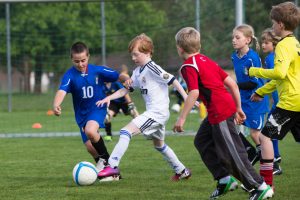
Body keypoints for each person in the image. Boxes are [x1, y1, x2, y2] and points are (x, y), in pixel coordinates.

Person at [173, 27, 273, 200]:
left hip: (220, 111)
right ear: (199, 45)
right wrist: (238, 108)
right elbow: (232, 84)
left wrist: (181, 118)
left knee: (233, 153)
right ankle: (224, 179)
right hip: (220, 108)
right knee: (202, 141)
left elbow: (194, 92)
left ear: (180, 48)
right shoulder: (205, 59)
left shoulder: (188, 66)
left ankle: (260, 187)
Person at [96, 33, 191, 181]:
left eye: (136, 54)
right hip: (156, 113)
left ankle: (112, 166)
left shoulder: (152, 67)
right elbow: (125, 89)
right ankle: (182, 170)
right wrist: (108, 97)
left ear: (147, 52)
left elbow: (173, 80)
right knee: (159, 145)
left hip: (157, 113)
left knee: (125, 131)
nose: (133, 58)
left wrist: (186, 97)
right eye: (132, 55)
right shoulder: (138, 71)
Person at [247, 1, 300, 190]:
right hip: (297, 100)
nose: (272, 26)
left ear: (281, 25)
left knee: (265, 138)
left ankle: (266, 186)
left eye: (273, 23)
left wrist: (254, 71)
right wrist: (261, 91)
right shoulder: (294, 42)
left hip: (290, 102)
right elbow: (283, 78)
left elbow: (279, 73)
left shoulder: (284, 46)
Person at [53, 41, 121, 172]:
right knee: (90, 148)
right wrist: (56, 104)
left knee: (90, 131)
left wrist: (126, 78)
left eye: (83, 60)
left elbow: (117, 75)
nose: (80, 64)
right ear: (71, 59)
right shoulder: (69, 75)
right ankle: (105, 169)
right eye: (76, 61)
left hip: (97, 107)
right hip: (81, 114)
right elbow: (62, 90)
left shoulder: (97, 70)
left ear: (88, 56)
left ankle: (110, 166)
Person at [231, 24, 269, 166]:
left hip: (255, 100)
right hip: (242, 99)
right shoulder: (234, 56)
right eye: (233, 37)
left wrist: (233, 86)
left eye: (237, 37)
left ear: (247, 40)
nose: (234, 40)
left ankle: (270, 160)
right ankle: (252, 152)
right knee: (231, 125)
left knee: (255, 133)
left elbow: (253, 83)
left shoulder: (252, 58)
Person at [260, 28, 282, 175]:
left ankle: (275, 162)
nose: (263, 45)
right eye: (262, 42)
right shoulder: (275, 56)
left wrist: (275, 101)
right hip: (284, 102)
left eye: (266, 42)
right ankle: (276, 158)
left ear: (274, 44)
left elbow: (275, 79)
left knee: (268, 132)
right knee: (270, 132)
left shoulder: (270, 58)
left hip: (281, 104)